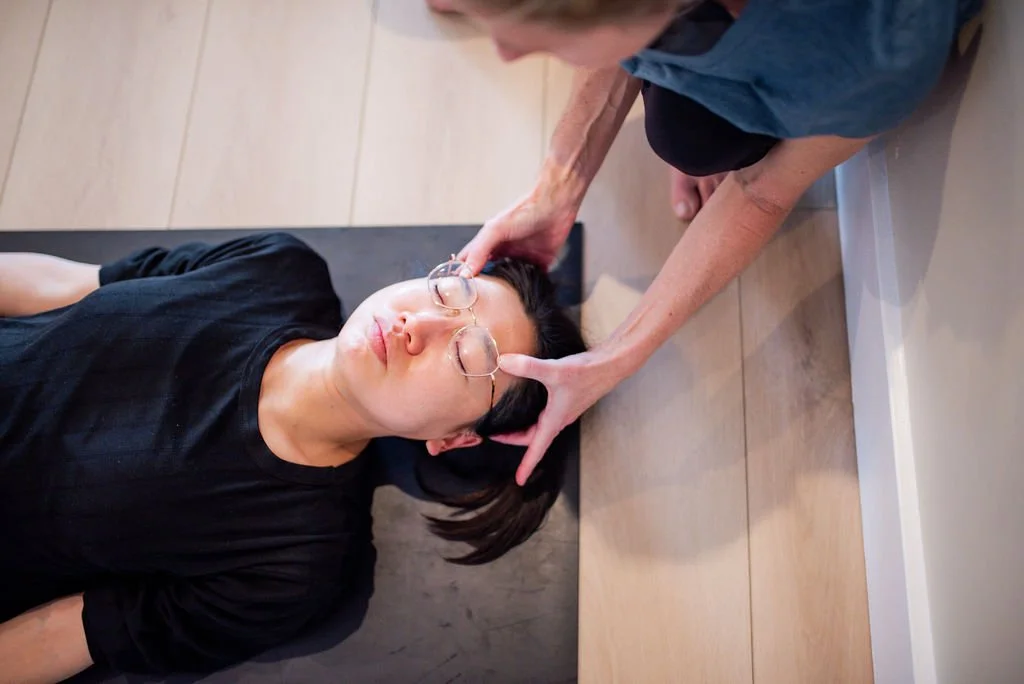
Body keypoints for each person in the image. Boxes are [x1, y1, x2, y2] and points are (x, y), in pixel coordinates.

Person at [426, 0, 986, 485]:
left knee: (688, 136)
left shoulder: (870, 57)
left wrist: (617, 358)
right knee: (685, 136)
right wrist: (558, 186)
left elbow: (763, 194)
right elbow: (616, 44)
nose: (502, 54)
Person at [0, 232, 585, 681]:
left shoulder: (295, 563)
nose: (420, 324)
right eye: (450, 293)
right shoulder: (276, 269)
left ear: (457, 436)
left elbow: (60, 634)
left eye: (468, 356)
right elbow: (60, 287)